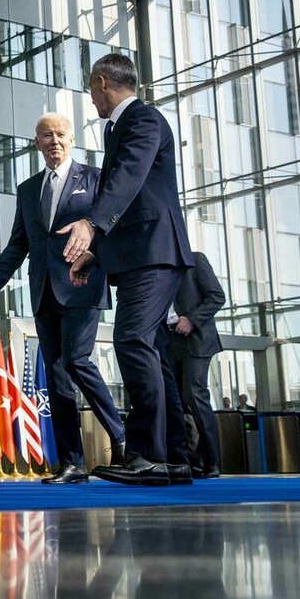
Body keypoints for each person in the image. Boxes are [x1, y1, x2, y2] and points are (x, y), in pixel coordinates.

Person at [58, 53, 194, 486]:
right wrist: (95, 254)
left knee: (132, 340)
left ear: (101, 83)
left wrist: (91, 224)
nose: (92, 98)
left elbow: (129, 179)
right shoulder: (119, 126)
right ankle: (173, 457)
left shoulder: (142, 119)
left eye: (90, 89)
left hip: (155, 253)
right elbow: (132, 196)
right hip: (139, 254)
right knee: (149, 349)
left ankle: (147, 455)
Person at [0, 112, 125, 484]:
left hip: (83, 284)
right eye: (46, 135)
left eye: (60, 134)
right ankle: (72, 463)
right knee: (56, 376)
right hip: (44, 291)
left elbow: (108, 227)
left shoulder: (95, 178)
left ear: (72, 140)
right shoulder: (28, 189)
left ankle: (120, 434)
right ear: (36, 142)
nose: (53, 140)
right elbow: (19, 244)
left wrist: (97, 258)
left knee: (76, 361)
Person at [166, 251, 226, 479]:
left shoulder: (196, 259)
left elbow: (217, 297)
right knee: (178, 403)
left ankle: (212, 460)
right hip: (169, 341)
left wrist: (191, 319)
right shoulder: (158, 268)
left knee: (194, 394)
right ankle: (191, 461)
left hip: (196, 339)